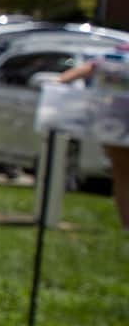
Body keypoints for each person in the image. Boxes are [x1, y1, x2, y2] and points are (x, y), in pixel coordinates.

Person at [52, 45, 129, 229]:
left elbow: (72, 75)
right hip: (117, 124)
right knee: (122, 173)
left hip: (114, 123)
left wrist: (55, 85)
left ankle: (127, 224)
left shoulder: (114, 56)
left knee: (121, 175)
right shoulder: (116, 56)